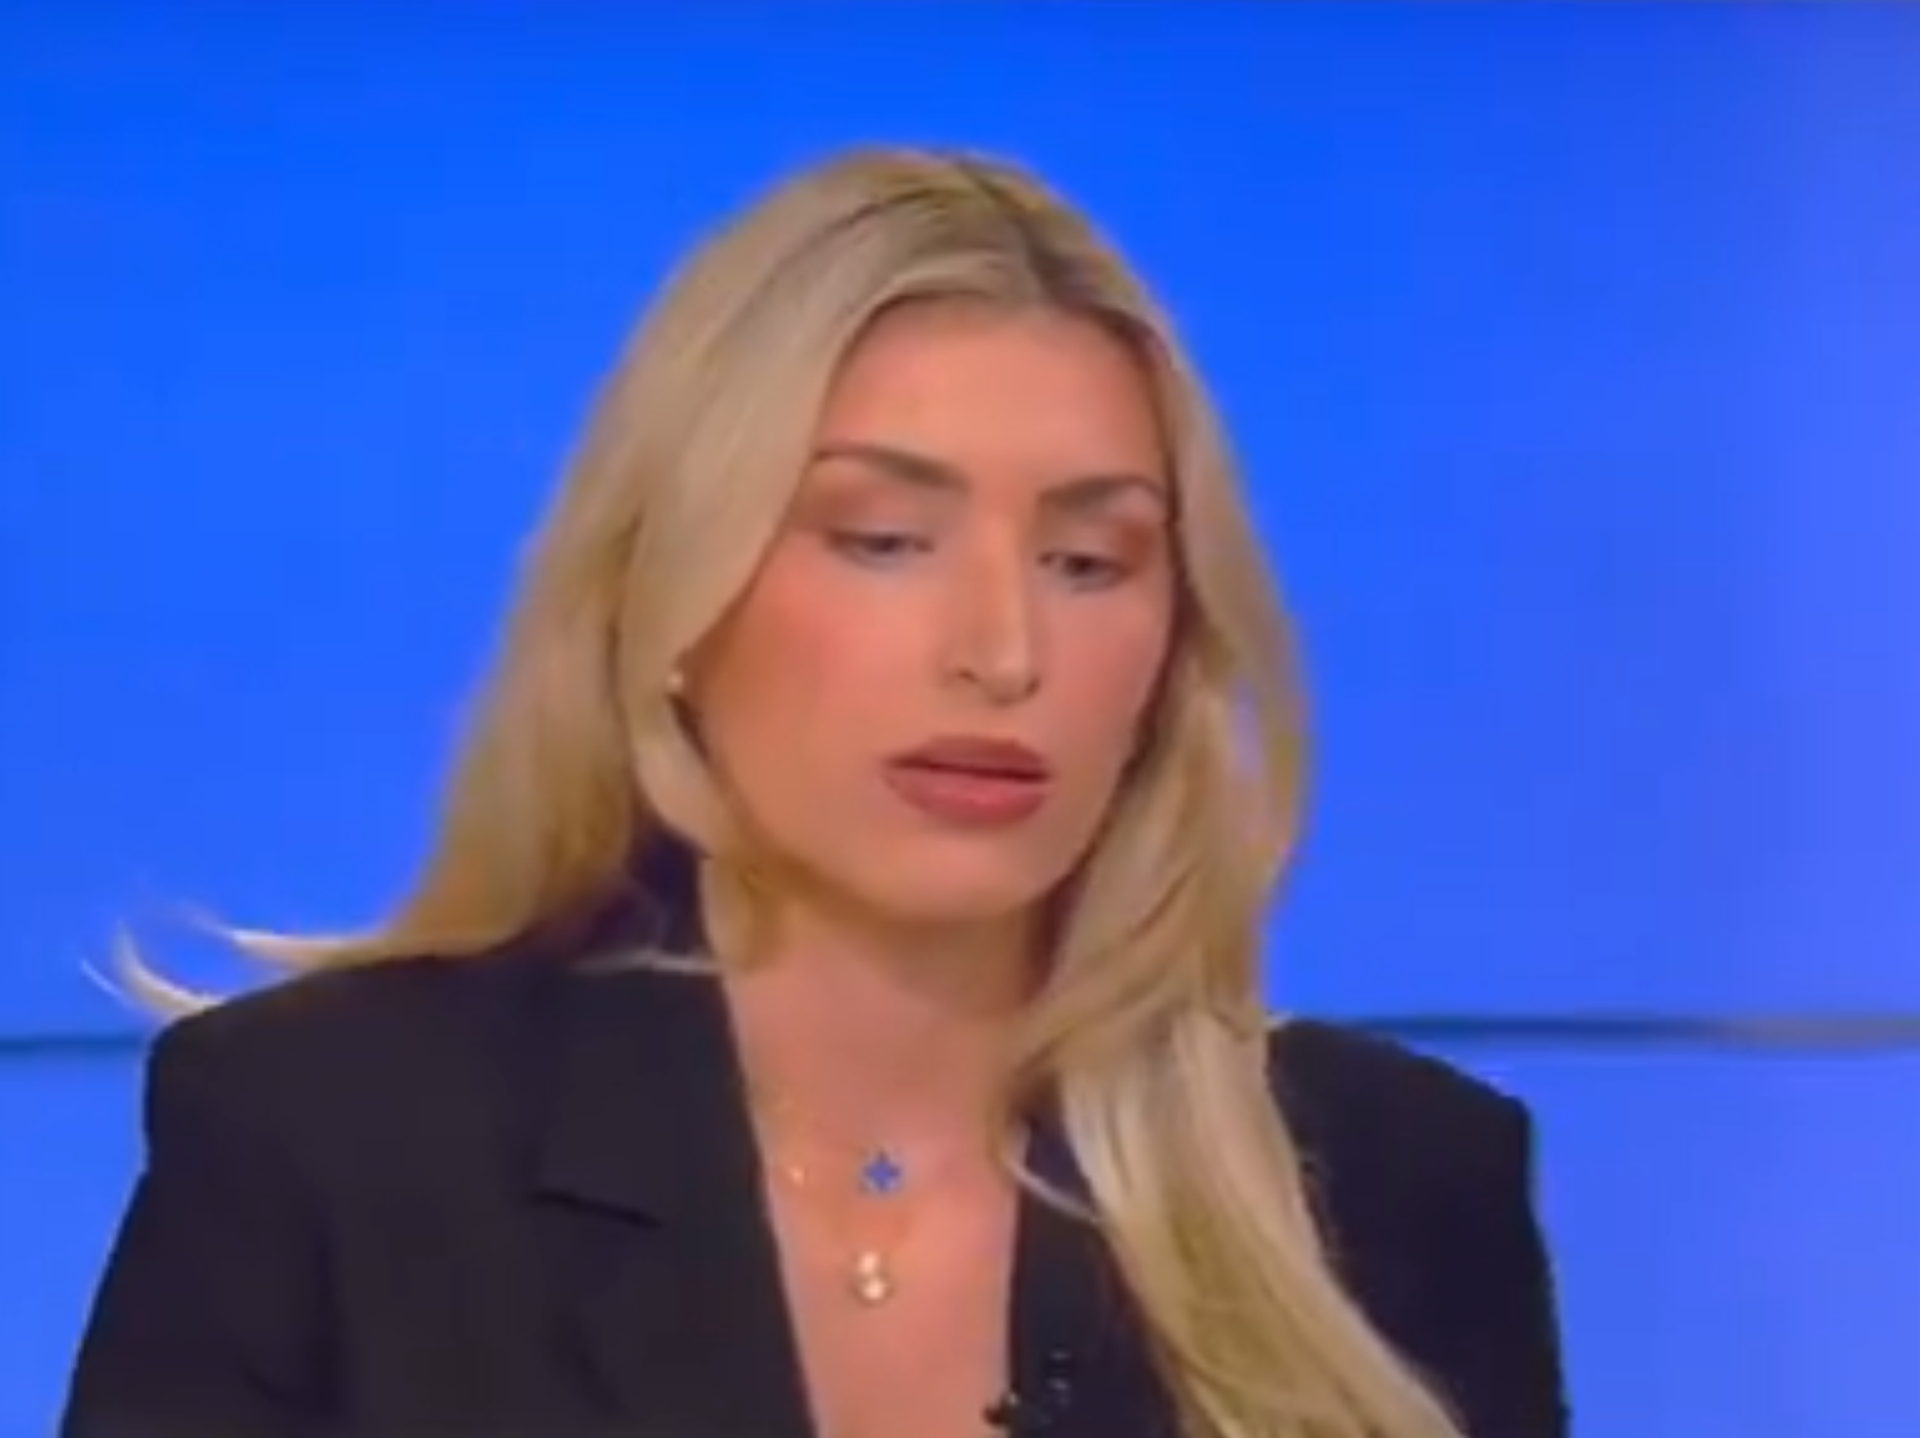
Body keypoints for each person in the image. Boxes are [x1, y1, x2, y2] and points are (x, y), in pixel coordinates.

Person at [60, 147, 1568, 1438]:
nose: (1003, 651)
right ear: (669, 601)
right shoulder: (330, 1144)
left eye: (1088, 559)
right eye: (881, 539)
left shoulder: (1395, 1189)